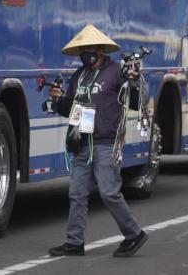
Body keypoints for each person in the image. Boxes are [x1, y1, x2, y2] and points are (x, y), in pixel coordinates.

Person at [47, 24, 148, 258]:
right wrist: (57, 99)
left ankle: (134, 234)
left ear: (101, 49)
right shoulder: (78, 76)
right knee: (76, 193)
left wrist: (134, 80)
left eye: (90, 48)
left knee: (109, 193)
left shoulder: (116, 71)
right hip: (82, 142)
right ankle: (74, 242)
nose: (86, 53)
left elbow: (134, 102)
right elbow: (69, 109)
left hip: (106, 142)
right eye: (82, 49)